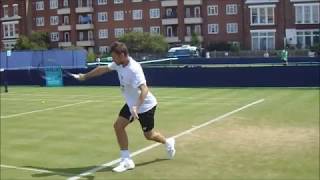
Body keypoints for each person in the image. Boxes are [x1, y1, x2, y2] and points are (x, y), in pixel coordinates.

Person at [72, 41, 176, 173]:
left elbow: (144, 89)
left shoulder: (134, 69)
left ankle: (168, 142)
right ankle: (126, 160)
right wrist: (84, 76)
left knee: (149, 135)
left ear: (122, 55)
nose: (113, 59)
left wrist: (136, 107)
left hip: (145, 106)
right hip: (131, 104)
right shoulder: (118, 64)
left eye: (114, 57)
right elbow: (101, 69)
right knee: (118, 126)